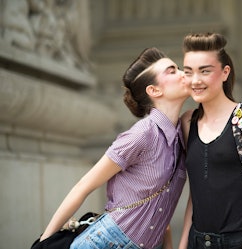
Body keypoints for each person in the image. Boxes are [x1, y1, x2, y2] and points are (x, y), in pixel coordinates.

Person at [38, 47, 190, 249]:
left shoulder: (181, 136)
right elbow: (84, 186)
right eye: (172, 70)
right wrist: (43, 243)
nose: (183, 73)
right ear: (154, 90)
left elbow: (161, 205)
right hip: (104, 242)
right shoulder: (141, 135)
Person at [178, 33, 242, 249]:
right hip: (196, 241)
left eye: (205, 71)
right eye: (188, 72)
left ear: (225, 72)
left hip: (239, 242)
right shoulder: (188, 121)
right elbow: (196, 193)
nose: (195, 80)